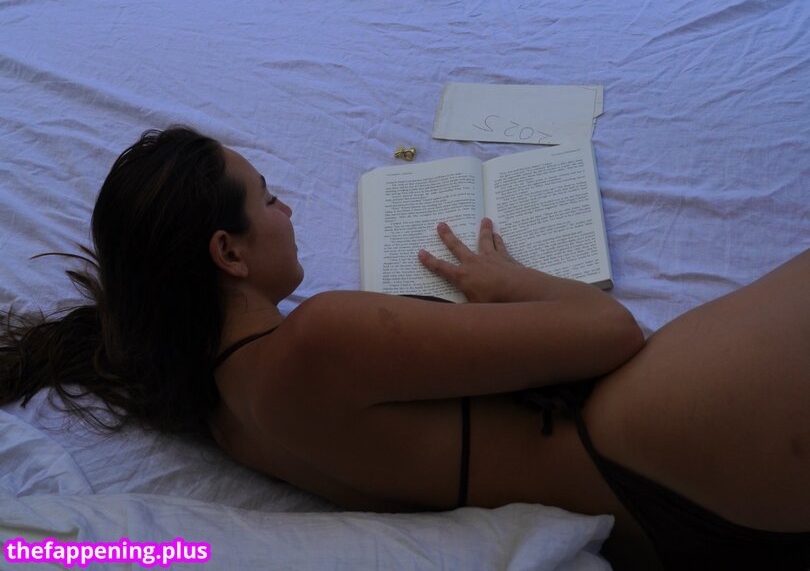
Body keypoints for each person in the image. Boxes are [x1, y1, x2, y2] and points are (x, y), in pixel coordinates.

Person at [1, 127, 808, 570]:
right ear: (228, 253)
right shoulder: (319, 340)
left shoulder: (215, 410)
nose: (288, 212)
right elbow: (610, 331)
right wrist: (507, 282)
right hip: (650, 440)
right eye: (268, 200)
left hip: (652, 518)